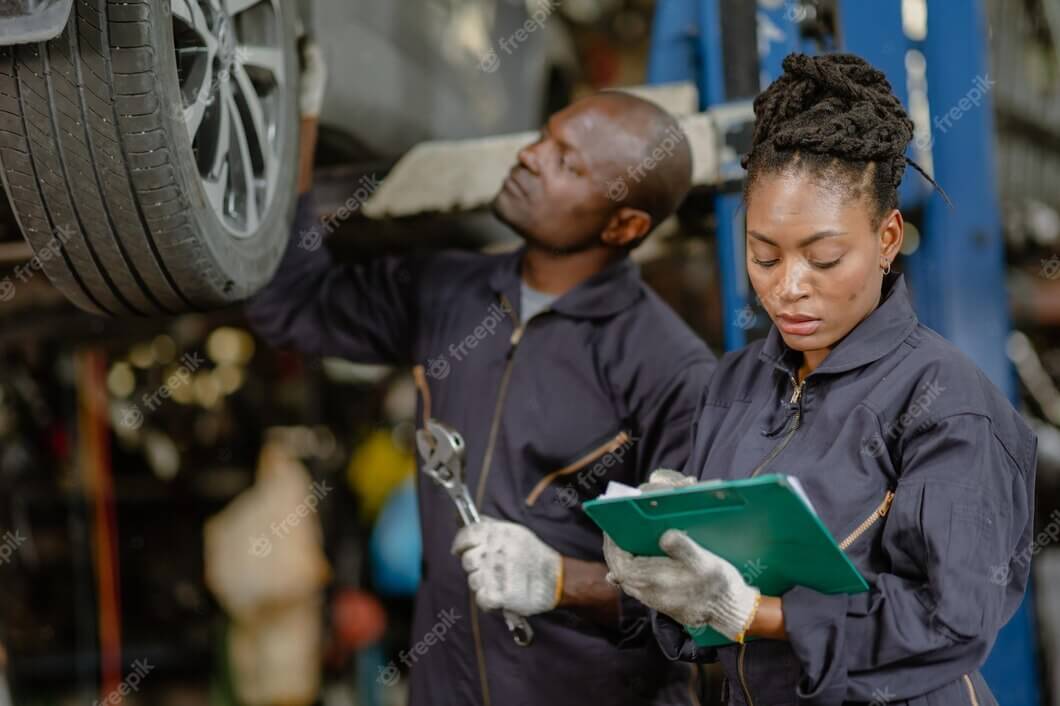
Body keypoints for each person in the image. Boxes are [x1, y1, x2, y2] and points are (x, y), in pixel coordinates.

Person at [246, 41, 716, 706]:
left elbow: (702, 601)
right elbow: (290, 305)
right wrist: (296, 115)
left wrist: (558, 580)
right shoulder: (447, 293)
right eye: (543, 139)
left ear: (625, 222)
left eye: (566, 163)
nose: (529, 157)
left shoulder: (669, 369)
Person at [603, 53, 1037, 706]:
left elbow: (952, 620)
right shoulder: (734, 386)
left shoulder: (947, 406)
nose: (789, 288)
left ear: (888, 237)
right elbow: (701, 621)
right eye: (764, 256)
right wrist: (662, 562)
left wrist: (755, 613)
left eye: (824, 257)